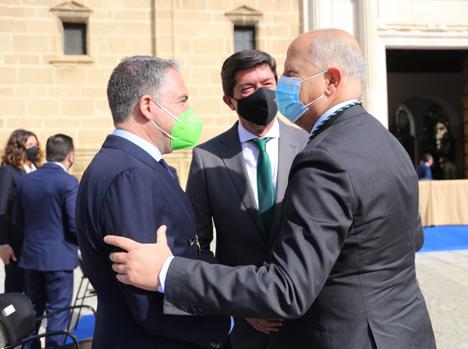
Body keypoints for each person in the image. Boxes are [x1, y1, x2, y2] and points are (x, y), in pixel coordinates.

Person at [105, 30, 436, 349]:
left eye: (290, 75)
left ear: (330, 81)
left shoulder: (323, 157)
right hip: (403, 332)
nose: (281, 89)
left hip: (348, 335)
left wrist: (167, 271)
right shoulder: (388, 143)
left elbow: (288, 289)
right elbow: (410, 240)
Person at [75, 56, 230, 349]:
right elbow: (147, 298)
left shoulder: (135, 165)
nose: (190, 112)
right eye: (182, 100)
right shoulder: (130, 175)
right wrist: (224, 322)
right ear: (148, 106)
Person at [186, 49, 307, 349]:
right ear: (230, 101)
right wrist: (239, 304)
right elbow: (197, 244)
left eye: (267, 84)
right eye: (248, 89)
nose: (261, 94)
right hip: (244, 328)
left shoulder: (309, 145)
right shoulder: (208, 157)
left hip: (305, 317)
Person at [12, 134, 78, 349]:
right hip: (59, 259)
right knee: (58, 313)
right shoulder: (68, 182)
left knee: (33, 311)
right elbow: (74, 224)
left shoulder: (26, 180)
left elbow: (17, 221)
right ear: (70, 156)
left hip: (32, 257)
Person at [0, 129, 39, 293]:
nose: (34, 148)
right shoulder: (8, 172)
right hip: (16, 242)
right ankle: (10, 319)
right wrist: (3, 243)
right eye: (30, 145)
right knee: (15, 288)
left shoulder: (36, 168)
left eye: (36, 145)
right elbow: (1, 209)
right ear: (18, 147)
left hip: (34, 241)